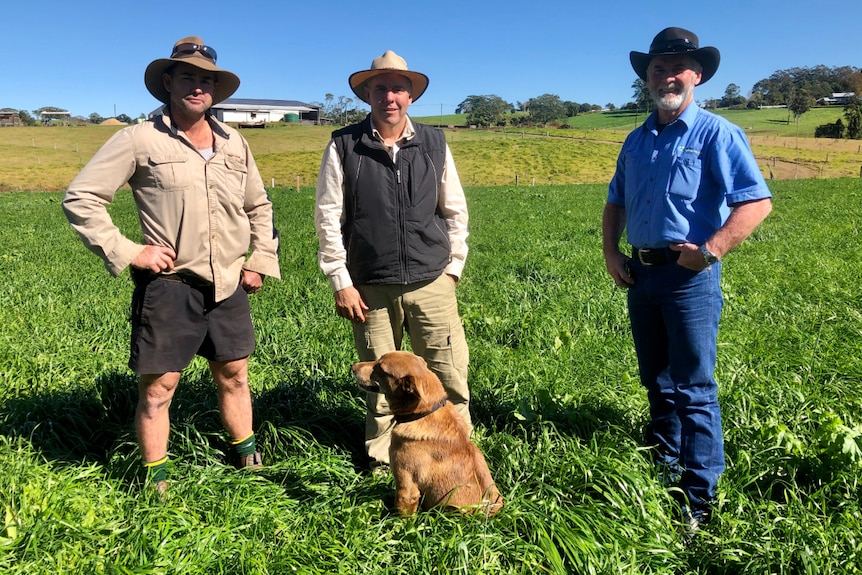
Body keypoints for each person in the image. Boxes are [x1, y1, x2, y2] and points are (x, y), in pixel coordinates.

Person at [63, 36, 281, 494]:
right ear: (168, 82)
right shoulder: (139, 139)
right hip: (169, 286)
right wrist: (128, 251)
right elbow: (82, 198)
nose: (198, 87)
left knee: (235, 375)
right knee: (160, 388)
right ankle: (155, 482)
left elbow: (258, 205)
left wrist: (260, 259)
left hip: (228, 284)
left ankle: (247, 460)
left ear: (216, 90)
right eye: (188, 77)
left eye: (207, 80)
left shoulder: (235, 143)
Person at [602, 27, 772, 530]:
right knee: (656, 379)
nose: (667, 75)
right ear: (647, 78)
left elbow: (756, 202)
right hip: (640, 274)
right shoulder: (635, 140)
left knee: (694, 386)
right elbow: (616, 200)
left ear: (696, 75)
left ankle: (699, 500)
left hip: (688, 279)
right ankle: (665, 463)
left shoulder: (717, 133)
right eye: (658, 67)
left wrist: (711, 251)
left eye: (678, 67)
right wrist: (611, 252)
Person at [314, 50, 471, 473]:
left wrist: (453, 268)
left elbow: (454, 210)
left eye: (398, 88)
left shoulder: (434, 143)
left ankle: (457, 450)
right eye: (380, 87)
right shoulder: (344, 145)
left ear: (411, 96)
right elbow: (328, 217)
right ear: (367, 93)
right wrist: (340, 280)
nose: (390, 96)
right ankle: (386, 461)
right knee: (380, 383)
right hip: (369, 286)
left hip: (431, 279)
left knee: (447, 374)